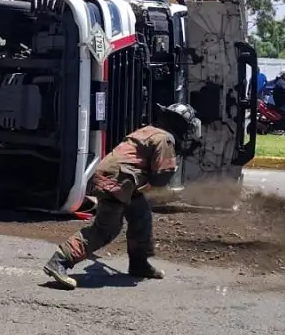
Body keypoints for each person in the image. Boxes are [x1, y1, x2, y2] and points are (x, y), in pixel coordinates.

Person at [43, 103, 202, 290]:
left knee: (140, 214)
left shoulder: (150, 131)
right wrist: (177, 158)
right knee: (105, 229)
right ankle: (60, 260)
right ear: (181, 125)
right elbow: (161, 178)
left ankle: (139, 263)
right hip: (118, 181)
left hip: (120, 178)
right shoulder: (165, 139)